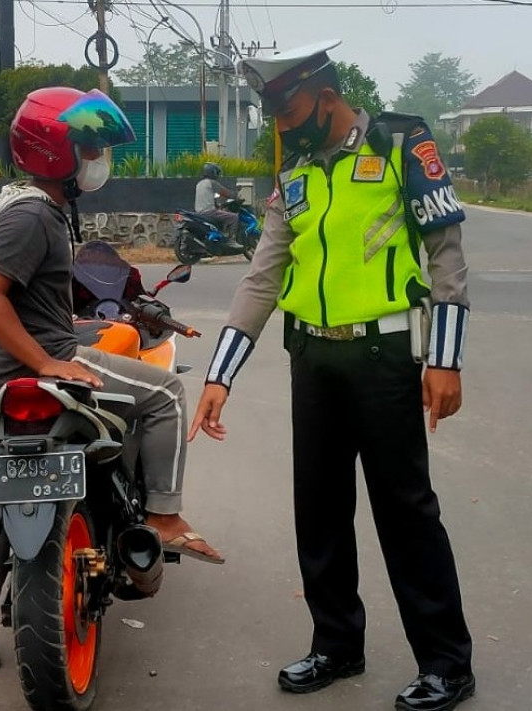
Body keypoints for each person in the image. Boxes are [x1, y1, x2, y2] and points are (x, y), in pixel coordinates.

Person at [190, 39, 476, 711]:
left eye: (287, 113)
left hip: (383, 360)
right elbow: (263, 276)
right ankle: (337, 642)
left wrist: (445, 358)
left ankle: (445, 662)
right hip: (313, 360)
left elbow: (446, 256)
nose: (280, 130)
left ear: (325, 98)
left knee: (405, 512)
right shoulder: (294, 173)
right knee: (317, 508)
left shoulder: (402, 146)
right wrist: (219, 375)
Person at [0, 86, 224, 673]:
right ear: (56, 151)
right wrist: (48, 361)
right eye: (91, 146)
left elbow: (28, 299)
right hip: (37, 364)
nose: (99, 157)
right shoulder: (33, 215)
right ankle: (163, 515)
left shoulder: (20, 205)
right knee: (167, 396)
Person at [194, 161, 241, 245]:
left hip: (199, 212)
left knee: (221, 213)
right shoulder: (212, 183)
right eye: (217, 172)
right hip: (209, 212)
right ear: (213, 172)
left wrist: (217, 205)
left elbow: (208, 197)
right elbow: (225, 193)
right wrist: (235, 195)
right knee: (234, 217)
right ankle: (231, 241)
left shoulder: (199, 183)